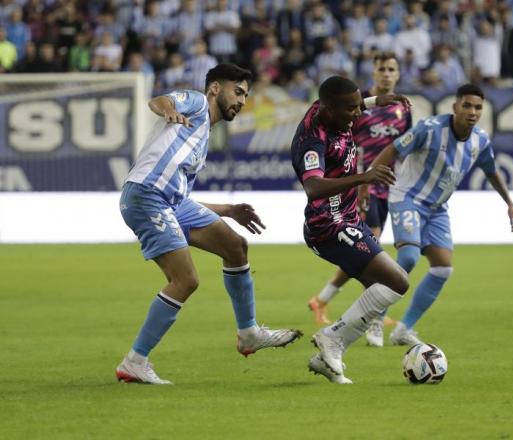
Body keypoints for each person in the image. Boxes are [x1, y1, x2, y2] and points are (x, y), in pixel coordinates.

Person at [116, 63, 302, 385]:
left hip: (169, 201)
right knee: (185, 280)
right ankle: (135, 361)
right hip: (147, 196)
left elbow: (180, 198)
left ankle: (248, 334)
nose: (242, 101)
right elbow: (160, 101)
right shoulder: (199, 103)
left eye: (246, 95)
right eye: (238, 91)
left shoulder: (202, 139)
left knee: (235, 246)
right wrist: (169, 110)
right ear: (216, 88)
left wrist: (227, 209)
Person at [369, 83, 513, 345]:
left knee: (442, 269)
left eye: (477, 107)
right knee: (408, 258)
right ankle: (374, 317)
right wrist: (366, 180)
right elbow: (393, 149)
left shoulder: (480, 140)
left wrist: (509, 202)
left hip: (437, 208)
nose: (472, 112)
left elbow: (491, 171)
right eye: (467, 105)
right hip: (407, 197)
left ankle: (403, 329)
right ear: (455, 107)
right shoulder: (429, 129)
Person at [291, 76, 410, 384]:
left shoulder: (328, 108)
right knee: (397, 280)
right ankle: (332, 339)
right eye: (351, 110)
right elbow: (313, 186)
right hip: (328, 225)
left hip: (348, 217)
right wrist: (363, 179)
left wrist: (375, 102)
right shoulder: (312, 139)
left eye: (360, 106)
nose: (358, 115)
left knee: (384, 288)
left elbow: (348, 103)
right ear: (329, 111)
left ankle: (328, 355)